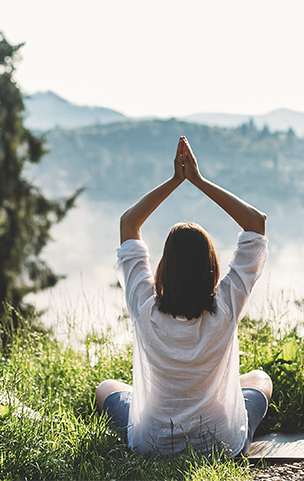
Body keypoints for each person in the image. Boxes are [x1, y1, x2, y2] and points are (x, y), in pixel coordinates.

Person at [95, 135, 272, 458]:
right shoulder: (227, 306)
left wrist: (175, 180)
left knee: (107, 387)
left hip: (152, 443)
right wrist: (198, 181)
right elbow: (256, 224)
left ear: (165, 267)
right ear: (211, 267)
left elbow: (128, 223)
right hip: (220, 444)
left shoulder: (144, 307)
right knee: (259, 379)